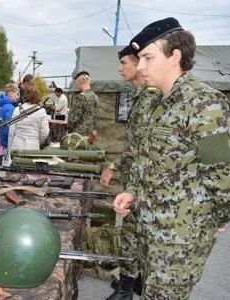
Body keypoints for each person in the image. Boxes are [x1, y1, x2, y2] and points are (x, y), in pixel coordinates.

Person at [114, 17, 230, 299]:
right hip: (149, 230)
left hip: (179, 239)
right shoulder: (156, 101)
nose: (140, 66)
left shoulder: (206, 103)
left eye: (148, 58)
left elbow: (222, 174)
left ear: (174, 56)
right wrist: (132, 191)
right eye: (139, 59)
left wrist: (219, 218)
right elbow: (149, 162)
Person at [101, 45, 161, 299]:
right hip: (135, 182)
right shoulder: (139, 95)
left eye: (124, 62)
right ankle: (132, 282)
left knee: (136, 238)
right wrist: (114, 167)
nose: (120, 67)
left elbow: (148, 149)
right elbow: (133, 145)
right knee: (134, 236)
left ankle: (127, 289)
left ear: (138, 64)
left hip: (144, 184)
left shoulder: (150, 96)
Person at [67, 71, 98, 135]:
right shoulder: (95, 97)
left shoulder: (81, 97)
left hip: (79, 136)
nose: (76, 85)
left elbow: (72, 120)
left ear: (81, 81)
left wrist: (68, 129)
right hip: (90, 135)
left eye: (76, 83)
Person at [0, 83, 20, 160]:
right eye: (16, 94)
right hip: (5, 141)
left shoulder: (2, 105)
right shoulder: (10, 107)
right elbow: (9, 126)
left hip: (0, 139)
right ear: (10, 93)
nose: (18, 97)